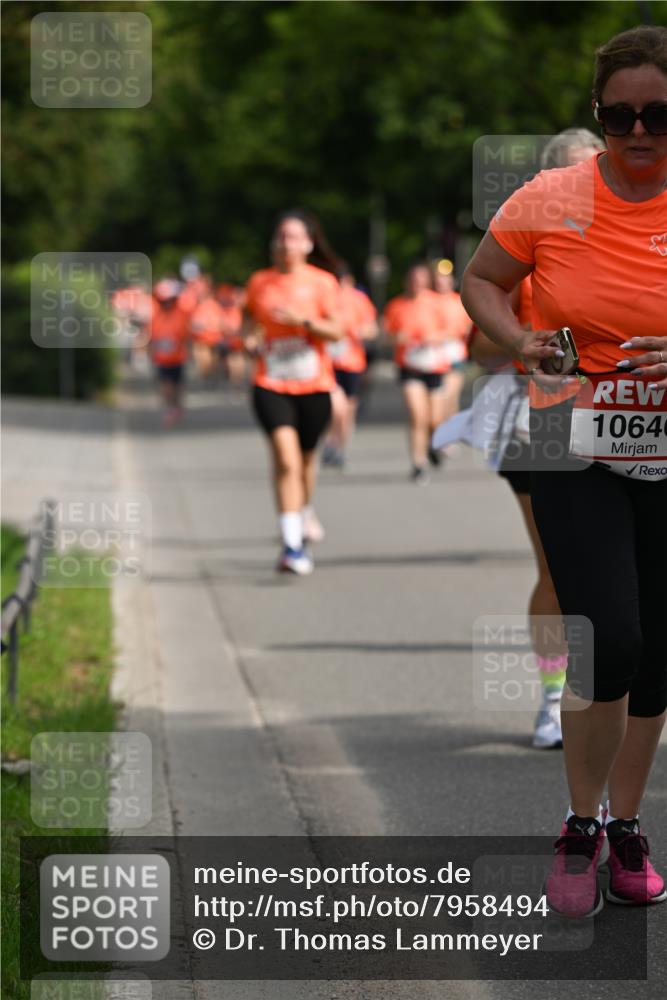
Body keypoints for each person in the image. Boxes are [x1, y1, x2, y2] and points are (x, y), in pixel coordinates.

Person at [462, 24, 667, 916]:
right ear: (596, 113)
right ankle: (578, 824)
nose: (636, 133)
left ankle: (625, 828)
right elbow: (480, 282)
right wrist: (517, 339)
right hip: (568, 439)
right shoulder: (549, 198)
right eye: (617, 115)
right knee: (609, 636)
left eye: (658, 114)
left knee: (655, 658)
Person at [469, 129, 605, 750]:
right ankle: (555, 697)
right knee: (557, 567)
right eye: (575, 176)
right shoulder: (529, 243)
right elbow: (477, 337)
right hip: (540, 420)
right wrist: (524, 338)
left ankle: (616, 691)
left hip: (625, 419)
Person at [243, 210, 343, 575]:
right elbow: (248, 321)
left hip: (314, 384)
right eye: (280, 236)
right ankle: (292, 546)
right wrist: (251, 339)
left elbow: (336, 331)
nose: (285, 243)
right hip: (271, 382)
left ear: (308, 244)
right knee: (285, 459)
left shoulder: (323, 282)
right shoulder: (259, 282)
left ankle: (301, 511)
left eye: (293, 237)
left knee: (304, 463)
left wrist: (300, 323)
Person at [383, 263, 456, 483]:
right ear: (407, 281)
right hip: (409, 366)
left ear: (426, 282)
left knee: (434, 419)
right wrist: (397, 339)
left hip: (434, 365)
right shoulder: (396, 305)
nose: (416, 284)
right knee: (417, 415)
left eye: (420, 280)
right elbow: (386, 336)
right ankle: (418, 462)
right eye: (413, 280)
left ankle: (433, 445)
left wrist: (434, 338)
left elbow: (453, 332)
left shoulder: (436, 303)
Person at [322, 269, 378, 468]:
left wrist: (360, 332)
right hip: (328, 362)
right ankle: (331, 441)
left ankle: (341, 448)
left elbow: (372, 329)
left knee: (349, 408)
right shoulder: (323, 298)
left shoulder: (359, 300)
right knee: (336, 407)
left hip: (352, 362)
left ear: (350, 280)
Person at [149, 279, 191, 427]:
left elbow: (187, 336)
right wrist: (151, 353)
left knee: (177, 386)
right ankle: (170, 408)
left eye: (168, 300)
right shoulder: (156, 316)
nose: (166, 303)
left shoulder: (181, 315)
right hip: (162, 359)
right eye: (163, 301)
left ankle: (177, 406)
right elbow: (152, 337)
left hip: (177, 358)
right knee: (166, 387)